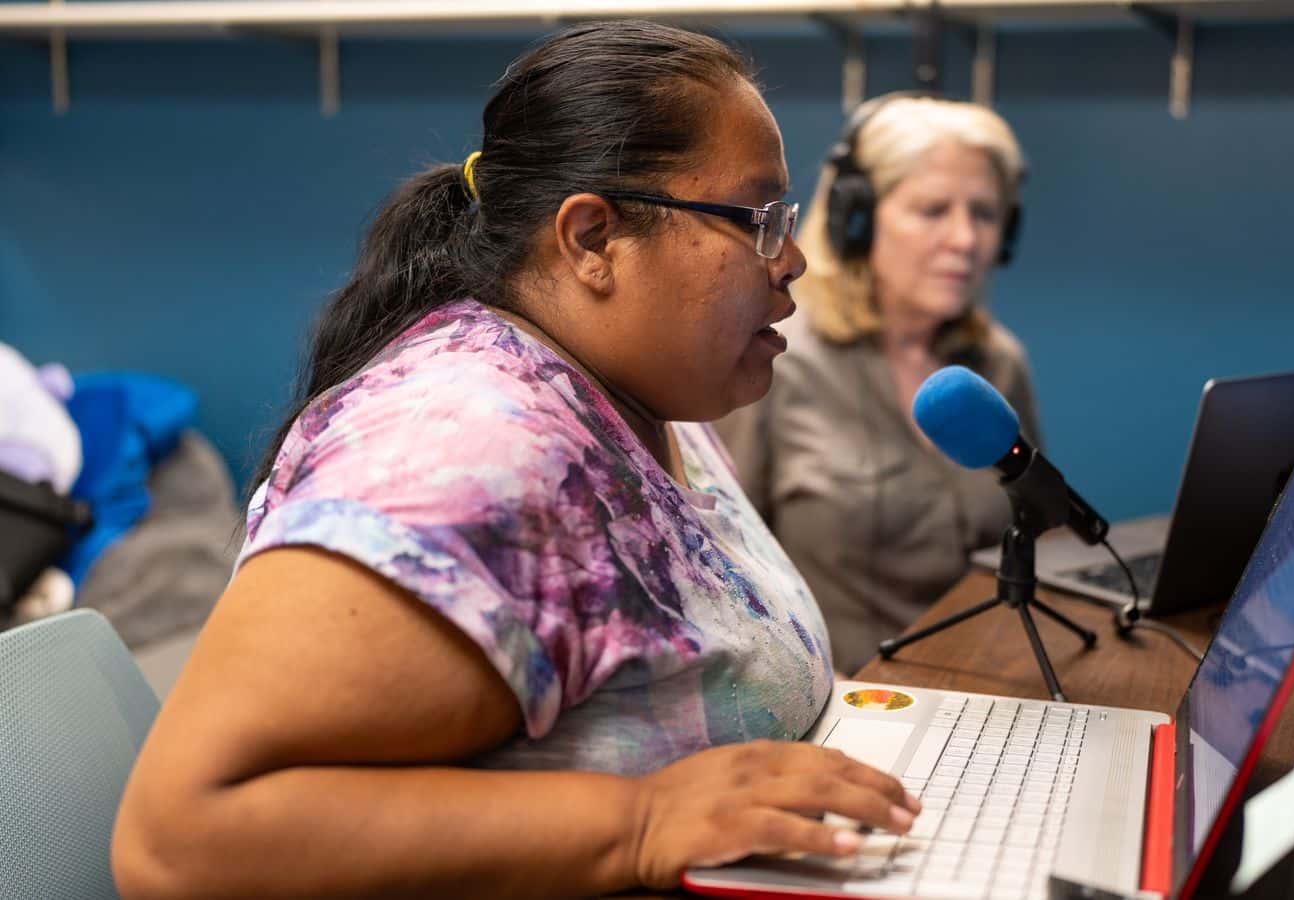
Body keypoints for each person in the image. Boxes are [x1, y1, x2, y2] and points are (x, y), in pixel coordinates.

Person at [111, 21, 919, 900]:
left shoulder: (638, 390)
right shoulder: (464, 444)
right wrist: (639, 825)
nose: (793, 260)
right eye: (758, 221)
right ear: (592, 240)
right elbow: (182, 841)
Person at [717, 94, 1040, 674]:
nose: (966, 239)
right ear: (856, 221)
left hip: (993, 686)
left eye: (985, 214)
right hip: (843, 704)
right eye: (933, 210)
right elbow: (722, 573)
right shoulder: (772, 361)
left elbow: (1036, 528)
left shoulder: (999, 363)